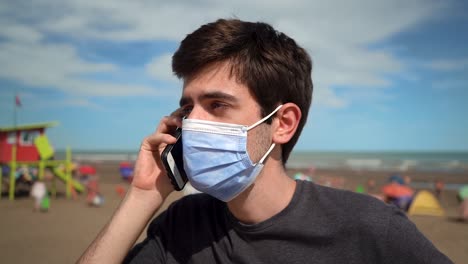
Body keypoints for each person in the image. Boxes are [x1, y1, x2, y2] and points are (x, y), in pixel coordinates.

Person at [78, 18, 452, 263]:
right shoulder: (183, 226)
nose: (192, 123)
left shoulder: (370, 229)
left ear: (282, 124)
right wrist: (144, 194)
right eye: (188, 107)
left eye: (217, 104)